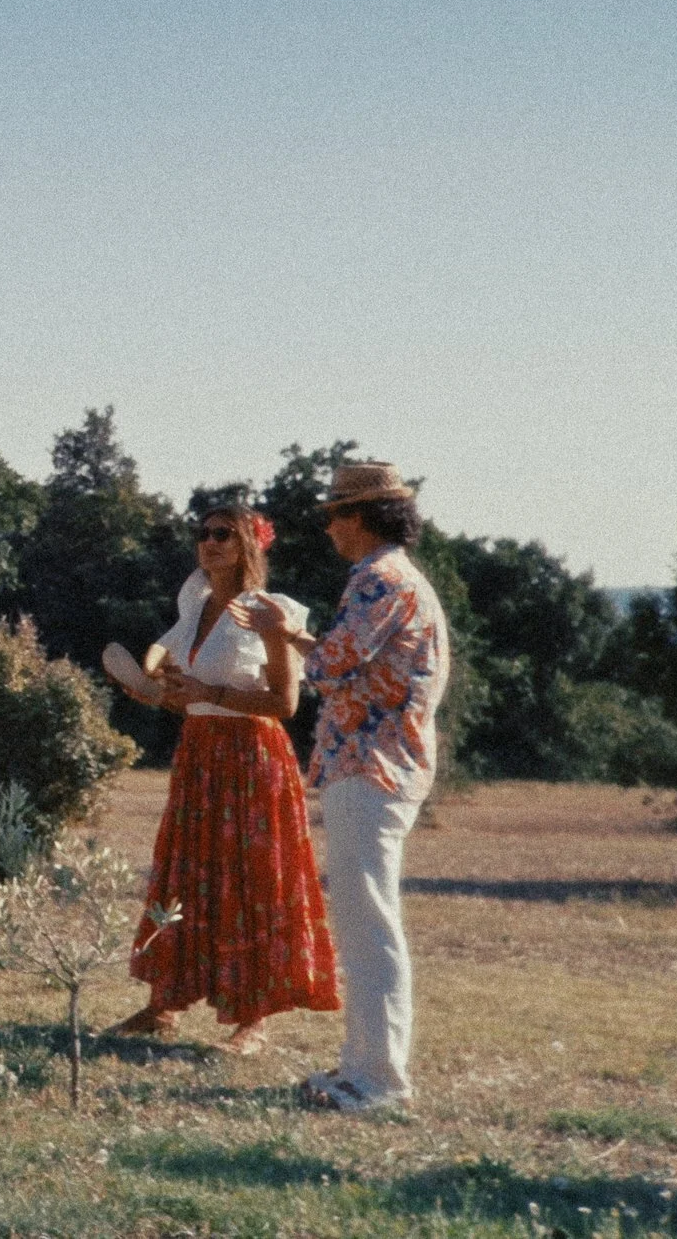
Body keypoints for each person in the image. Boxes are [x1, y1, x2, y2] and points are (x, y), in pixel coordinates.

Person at [109, 503, 339, 1055]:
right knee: (185, 873)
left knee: (253, 880)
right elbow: (181, 687)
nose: (209, 543)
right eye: (204, 534)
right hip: (200, 754)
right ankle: (164, 1002)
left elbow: (284, 704)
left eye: (224, 535)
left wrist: (207, 694)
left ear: (249, 547)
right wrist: (156, 689)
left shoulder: (270, 611)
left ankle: (251, 1021)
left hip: (253, 758)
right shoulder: (193, 609)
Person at [280, 462, 451, 1114]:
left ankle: (378, 1079)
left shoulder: (377, 579)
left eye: (332, 516)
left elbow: (326, 664)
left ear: (360, 518)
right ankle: (362, 1066)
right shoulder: (402, 580)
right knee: (363, 921)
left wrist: (285, 638)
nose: (327, 529)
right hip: (382, 765)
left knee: (368, 924)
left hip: (370, 766)